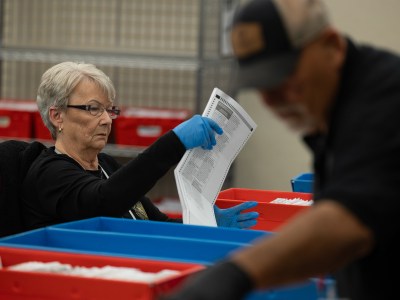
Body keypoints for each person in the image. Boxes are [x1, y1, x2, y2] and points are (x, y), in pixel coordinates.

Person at [161, 0, 400, 299]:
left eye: (283, 78)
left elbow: (349, 221)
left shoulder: (384, 102)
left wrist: (236, 273)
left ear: (332, 47)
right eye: (262, 86)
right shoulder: (332, 114)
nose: (273, 100)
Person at [21, 61, 259, 231]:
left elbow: (157, 225)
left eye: (109, 109)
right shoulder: (49, 172)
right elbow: (104, 203)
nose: (106, 119)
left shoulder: (106, 166)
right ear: (57, 116)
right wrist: (173, 142)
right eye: (93, 108)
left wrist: (206, 224)